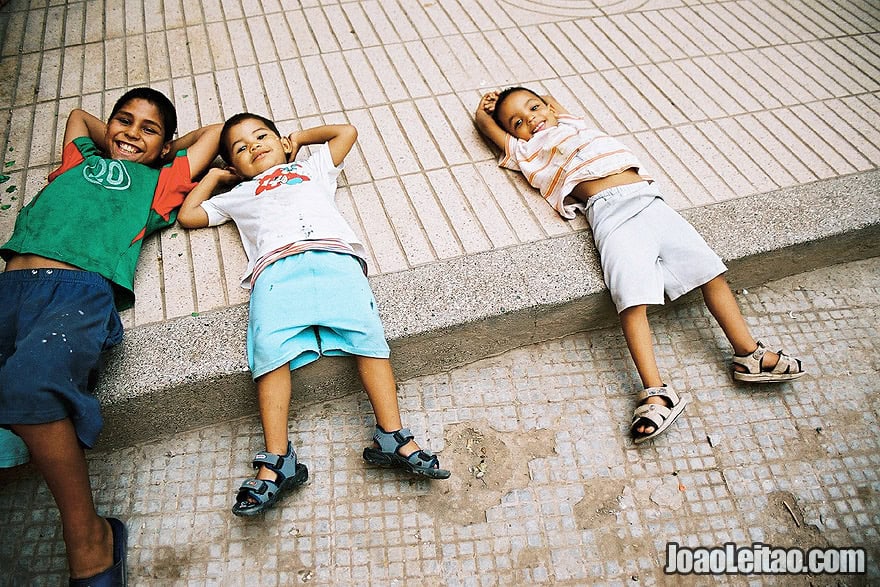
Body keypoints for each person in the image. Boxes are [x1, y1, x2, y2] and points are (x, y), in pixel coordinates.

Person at [475, 87, 805, 444]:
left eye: (534, 108)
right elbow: (488, 128)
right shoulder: (526, 151)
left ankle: (748, 355)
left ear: (550, 107)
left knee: (711, 273)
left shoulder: (572, 123)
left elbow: (552, 102)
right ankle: (655, 392)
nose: (531, 120)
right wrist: (485, 111)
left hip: (651, 200)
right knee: (631, 301)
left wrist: (521, 100)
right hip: (608, 213)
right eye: (517, 122)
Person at [0, 87, 221, 585]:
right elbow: (78, 115)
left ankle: (90, 538)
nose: (130, 132)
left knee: (29, 387)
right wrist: (126, 138)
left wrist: (160, 152)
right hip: (9, 289)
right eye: (124, 121)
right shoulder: (75, 162)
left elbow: (212, 134)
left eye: (150, 128)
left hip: (75, 291)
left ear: (167, 149)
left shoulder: (162, 183)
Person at [178, 112, 450, 517]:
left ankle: (391, 436)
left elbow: (347, 131)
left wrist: (297, 140)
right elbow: (188, 215)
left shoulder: (310, 168)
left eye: (261, 136)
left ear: (280, 141)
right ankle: (278, 460)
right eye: (240, 148)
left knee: (369, 339)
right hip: (275, 274)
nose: (253, 146)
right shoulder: (236, 193)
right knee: (269, 353)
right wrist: (216, 179)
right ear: (234, 166)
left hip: (336, 259)